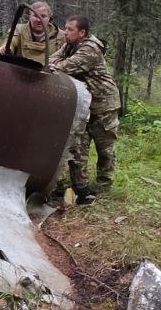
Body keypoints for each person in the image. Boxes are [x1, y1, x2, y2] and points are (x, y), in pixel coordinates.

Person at [48, 16, 121, 203]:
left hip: (104, 104)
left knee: (105, 148)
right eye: (65, 27)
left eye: (70, 29)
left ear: (82, 33)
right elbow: (52, 59)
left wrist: (56, 64)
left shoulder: (90, 49)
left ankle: (104, 183)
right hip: (85, 105)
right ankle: (81, 186)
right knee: (78, 146)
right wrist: (56, 63)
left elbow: (65, 66)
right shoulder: (70, 45)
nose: (66, 31)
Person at [0, 0, 61, 65]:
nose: (39, 20)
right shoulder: (19, 30)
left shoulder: (59, 36)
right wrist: (4, 48)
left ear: (49, 18)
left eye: (43, 16)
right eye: (35, 16)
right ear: (30, 16)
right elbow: (11, 42)